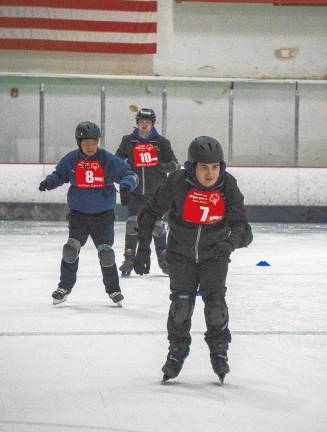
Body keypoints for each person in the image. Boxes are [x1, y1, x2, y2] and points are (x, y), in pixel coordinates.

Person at [133, 136, 253, 383]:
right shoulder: (177, 182)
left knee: (216, 305)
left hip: (215, 255)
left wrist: (229, 244)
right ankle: (177, 351)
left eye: (215, 167)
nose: (210, 174)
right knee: (181, 306)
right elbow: (149, 213)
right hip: (180, 255)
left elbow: (243, 228)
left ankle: (219, 351)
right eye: (204, 167)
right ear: (192, 166)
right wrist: (142, 249)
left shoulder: (228, 186)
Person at [39, 121, 138, 306]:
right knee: (70, 250)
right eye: (86, 143)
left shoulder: (107, 159)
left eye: (93, 142)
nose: (90, 146)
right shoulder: (71, 159)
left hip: (103, 216)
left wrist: (126, 185)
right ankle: (64, 287)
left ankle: (114, 290)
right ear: (79, 143)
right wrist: (51, 181)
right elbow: (59, 174)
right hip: (79, 215)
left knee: (106, 253)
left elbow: (130, 174)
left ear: (98, 141)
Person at [115, 108, 179, 277]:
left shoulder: (161, 142)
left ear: (152, 125)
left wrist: (162, 167)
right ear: (137, 123)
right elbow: (116, 161)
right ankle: (129, 257)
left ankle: (163, 256)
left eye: (148, 123)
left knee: (157, 226)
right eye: (142, 122)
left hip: (156, 193)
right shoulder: (128, 141)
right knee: (132, 224)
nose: (144, 125)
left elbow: (175, 164)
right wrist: (123, 177)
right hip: (135, 192)